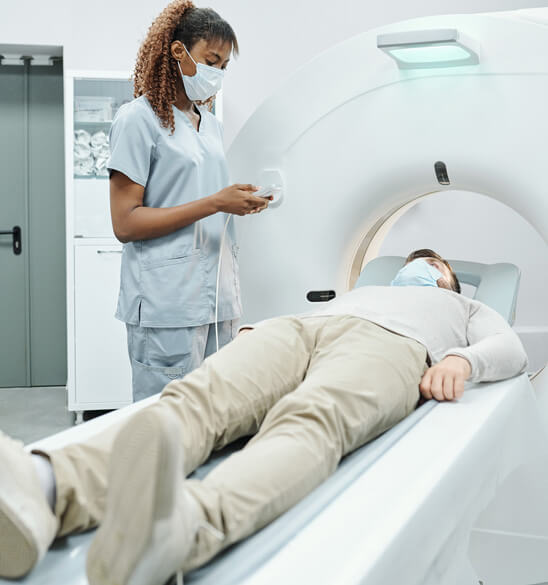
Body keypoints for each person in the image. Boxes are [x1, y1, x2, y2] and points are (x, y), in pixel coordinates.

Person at [0, 249, 528, 585]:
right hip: (300, 330)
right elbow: (305, 317)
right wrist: (262, 327)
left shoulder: (460, 310)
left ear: (446, 283)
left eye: (434, 265)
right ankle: (45, 486)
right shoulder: (362, 288)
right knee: (196, 399)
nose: (421, 266)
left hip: (395, 346)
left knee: (311, 421)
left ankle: (182, 529)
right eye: (418, 260)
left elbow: (509, 347)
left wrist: (463, 358)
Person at [108, 1, 270, 401]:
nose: (217, 72)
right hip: (168, 301)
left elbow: (203, 195)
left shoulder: (208, 124)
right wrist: (216, 202)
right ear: (179, 52)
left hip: (217, 298)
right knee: (169, 425)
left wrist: (239, 200)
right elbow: (125, 224)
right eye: (211, 60)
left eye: (224, 65)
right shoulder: (136, 120)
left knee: (218, 415)